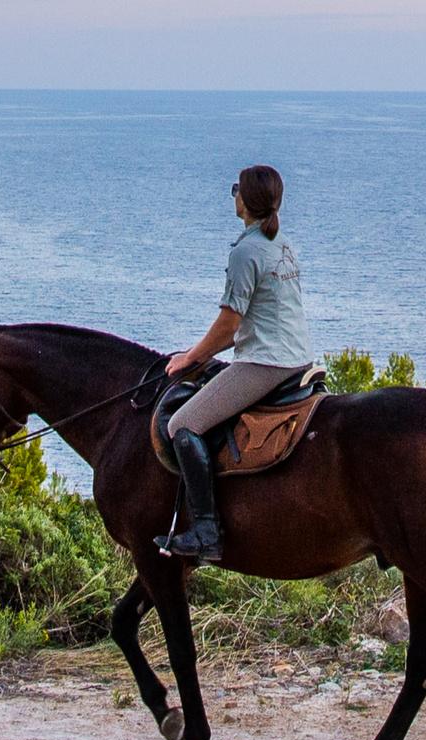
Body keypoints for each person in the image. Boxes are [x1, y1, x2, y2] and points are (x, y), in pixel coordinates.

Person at [162, 165, 314, 561]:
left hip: (265, 363)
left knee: (183, 424)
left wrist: (189, 358)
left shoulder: (246, 251)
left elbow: (230, 326)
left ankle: (207, 532)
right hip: (298, 356)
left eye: (236, 191)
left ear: (246, 201)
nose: (234, 196)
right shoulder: (282, 244)